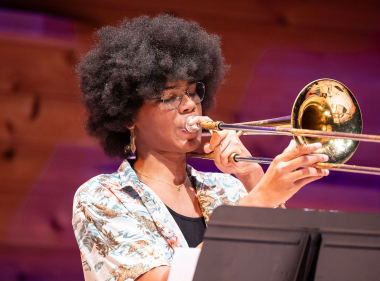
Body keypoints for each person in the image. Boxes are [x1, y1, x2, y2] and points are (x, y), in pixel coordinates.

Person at [72, 14, 329, 281]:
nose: (189, 105)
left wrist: (251, 173)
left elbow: (289, 267)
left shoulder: (228, 189)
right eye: (170, 97)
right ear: (127, 116)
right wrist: (259, 201)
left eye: (193, 91)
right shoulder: (102, 197)